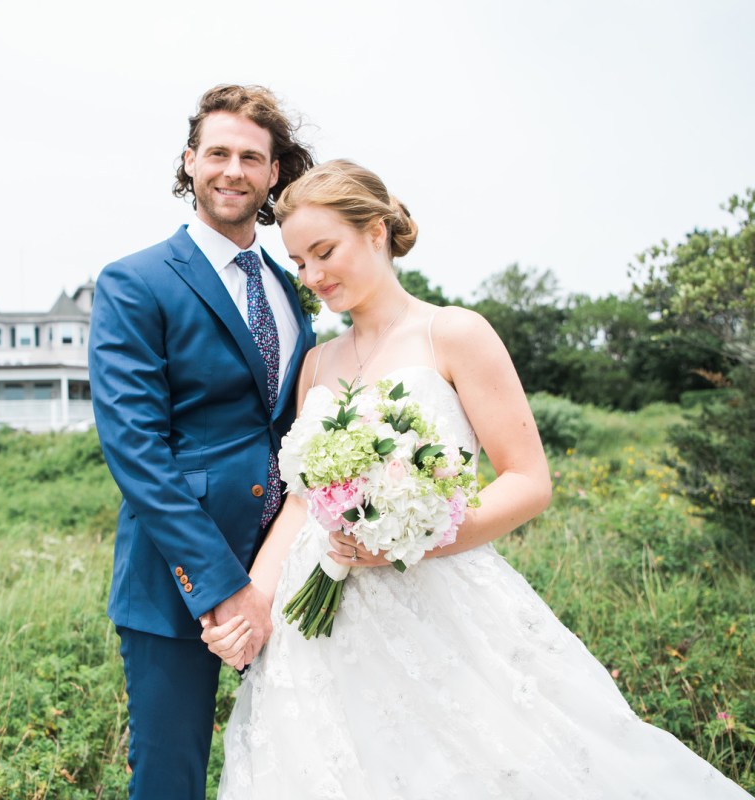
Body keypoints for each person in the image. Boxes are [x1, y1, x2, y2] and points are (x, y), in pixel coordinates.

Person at [203, 159, 751, 798]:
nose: (313, 276)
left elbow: (527, 479)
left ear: (376, 231)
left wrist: (416, 540)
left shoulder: (455, 333)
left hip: (439, 598)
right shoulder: (316, 361)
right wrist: (256, 600)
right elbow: (301, 504)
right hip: (320, 614)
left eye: (324, 251)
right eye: (299, 263)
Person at [88, 85, 316, 800]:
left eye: (252, 156)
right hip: (175, 583)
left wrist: (270, 580)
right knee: (169, 781)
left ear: (274, 173)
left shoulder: (289, 287)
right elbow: (136, 452)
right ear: (189, 162)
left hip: (286, 577)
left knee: (295, 757)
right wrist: (222, 589)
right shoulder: (136, 282)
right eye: (217, 152)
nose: (232, 169)